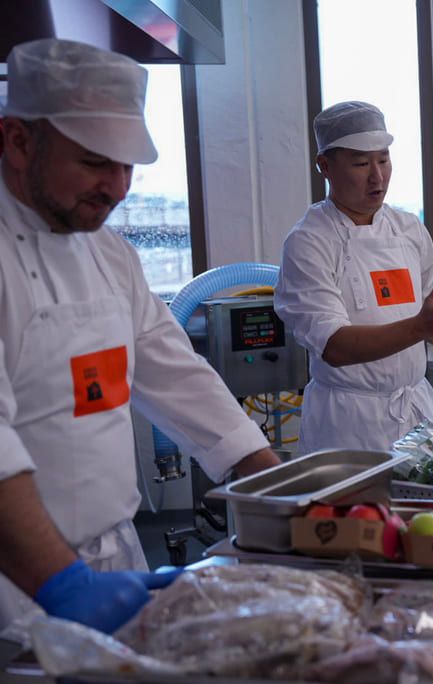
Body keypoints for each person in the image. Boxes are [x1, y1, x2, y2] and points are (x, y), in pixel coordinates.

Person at [0, 39, 281, 637]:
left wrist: (276, 488)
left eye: (128, 166)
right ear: (18, 141)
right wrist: (61, 583)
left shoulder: (110, 252)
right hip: (18, 586)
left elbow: (173, 373)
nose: (119, 188)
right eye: (96, 162)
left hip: (115, 562)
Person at [275, 101, 433, 453]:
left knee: (432, 506)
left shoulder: (407, 229)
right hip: (348, 423)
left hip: (417, 413)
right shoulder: (309, 241)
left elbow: (425, 317)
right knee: (356, 509)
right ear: (325, 166)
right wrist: (423, 327)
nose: (377, 176)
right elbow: (335, 346)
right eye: (361, 163)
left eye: (384, 160)